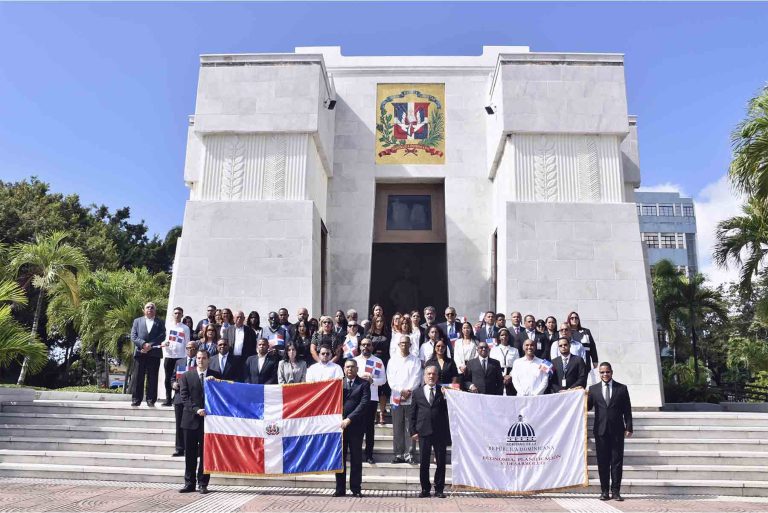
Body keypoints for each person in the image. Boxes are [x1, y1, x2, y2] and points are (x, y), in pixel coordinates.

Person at [588, 362, 633, 501]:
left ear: (611, 372)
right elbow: (587, 407)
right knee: (603, 462)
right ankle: (604, 491)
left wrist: (629, 427)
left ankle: (616, 491)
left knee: (617, 461)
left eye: (607, 372)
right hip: (600, 431)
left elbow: (627, 410)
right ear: (599, 373)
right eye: (602, 372)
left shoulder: (622, 388)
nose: (605, 374)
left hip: (617, 430)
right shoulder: (593, 389)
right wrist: (575, 395)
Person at [178, 349, 221, 494]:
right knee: (189, 454)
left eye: (203, 358)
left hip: (208, 422)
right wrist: (196, 409)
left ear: (208, 359)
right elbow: (184, 397)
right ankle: (189, 483)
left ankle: (203, 483)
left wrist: (216, 383)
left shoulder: (216, 376)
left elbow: (222, 395)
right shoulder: (186, 376)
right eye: (198, 358)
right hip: (190, 420)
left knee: (205, 454)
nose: (200, 360)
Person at [410, 365, 450, 498]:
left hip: (440, 432)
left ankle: (439, 489)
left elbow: (449, 411)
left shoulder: (443, 391)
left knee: (441, 462)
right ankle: (425, 489)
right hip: (423, 431)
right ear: (424, 376)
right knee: (424, 462)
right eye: (428, 374)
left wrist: (446, 397)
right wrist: (413, 431)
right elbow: (412, 414)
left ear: (437, 376)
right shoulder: (417, 392)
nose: (431, 376)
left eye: (434, 374)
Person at [334, 359, 370, 498]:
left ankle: (356, 488)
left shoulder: (364, 384)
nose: (350, 369)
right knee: (340, 459)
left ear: (357, 368)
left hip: (356, 426)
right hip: (339, 427)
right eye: (347, 367)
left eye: (352, 367)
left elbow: (364, 403)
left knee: (356, 458)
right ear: (344, 369)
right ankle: (340, 489)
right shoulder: (337, 383)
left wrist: (349, 419)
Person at [386, 336, 422, 464]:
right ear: (398, 345)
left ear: (410, 345)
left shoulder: (416, 361)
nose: (404, 345)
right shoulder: (393, 360)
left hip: (411, 398)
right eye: (402, 343)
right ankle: (398, 454)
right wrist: (401, 390)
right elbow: (390, 379)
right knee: (397, 427)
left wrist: (408, 390)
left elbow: (417, 378)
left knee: (410, 427)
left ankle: (409, 454)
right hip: (396, 397)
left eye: (407, 343)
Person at [354, 338, 387, 464]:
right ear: (360, 346)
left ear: (372, 347)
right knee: (356, 428)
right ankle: (356, 454)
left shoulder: (377, 361)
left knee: (369, 429)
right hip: (356, 398)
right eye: (363, 344)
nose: (365, 347)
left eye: (368, 345)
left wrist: (372, 381)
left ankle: (369, 455)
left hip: (371, 398)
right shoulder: (354, 361)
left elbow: (383, 380)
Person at [130, 302, 167, 407]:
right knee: (138, 377)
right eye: (148, 307)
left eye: (152, 307)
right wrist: (143, 345)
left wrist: (149, 345)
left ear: (155, 310)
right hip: (140, 353)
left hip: (154, 353)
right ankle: (136, 399)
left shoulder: (160, 322)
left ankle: (151, 400)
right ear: (144, 310)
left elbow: (162, 335)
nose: (150, 309)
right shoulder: (137, 321)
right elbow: (133, 336)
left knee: (153, 377)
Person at [171, 341, 198, 457]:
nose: (190, 350)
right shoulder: (179, 362)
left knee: (192, 425)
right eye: (188, 348)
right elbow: (172, 378)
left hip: (193, 399)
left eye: (192, 348)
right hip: (179, 398)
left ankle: (192, 449)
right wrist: (173, 384)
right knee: (179, 424)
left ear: (196, 349)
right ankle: (179, 448)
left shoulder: (200, 361)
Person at [161, 306, 190, 406]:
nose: (177, 315)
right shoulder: (168, 326)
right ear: (173, 314)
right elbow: (165, 339)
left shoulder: (185, 328)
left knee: (179, 379)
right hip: (169, 356)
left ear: (182, 315)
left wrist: (186, 357)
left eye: (179, 313)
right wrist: (165, 343)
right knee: (168, 378)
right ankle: (168, 399)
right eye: (175, 313)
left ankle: (176, 398)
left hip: (181, 357)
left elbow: (187, 343)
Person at [368, 315, 391, 424]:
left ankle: (382, 413)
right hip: (373, 362)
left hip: (385, 362)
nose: (379, 322)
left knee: (383, 389)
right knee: (374, 388)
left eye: (381, 320)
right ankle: (373, 413)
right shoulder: (369, 335)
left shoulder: (387, 334)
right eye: (377, 321)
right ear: (374, 322)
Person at [490, 327, 518, 395]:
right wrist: (502, 376)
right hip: (498, 375)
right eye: (502, 335)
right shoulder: (494, 349)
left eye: (506, 335)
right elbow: (492, 364)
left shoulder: (514, 350)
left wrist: (510, 376)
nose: (504, 337)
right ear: (499, 337)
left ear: (508, 337)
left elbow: (517, 365)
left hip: (511, 376)